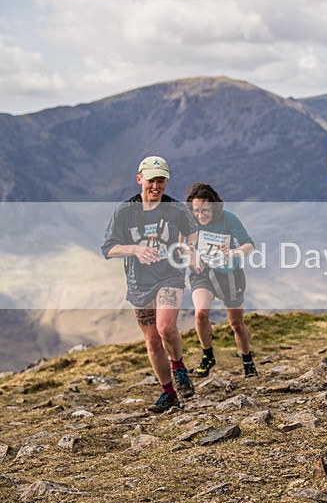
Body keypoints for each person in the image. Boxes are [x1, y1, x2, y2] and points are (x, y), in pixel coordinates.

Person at [101, 156, 198, 413]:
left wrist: (190, 249)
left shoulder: (176, 209)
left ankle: (179, 368)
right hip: (139, 283)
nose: (156, 185)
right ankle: (168, 393)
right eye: (151, 180)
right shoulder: (125, 211)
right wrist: (135, 249)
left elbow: (192, 231)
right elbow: (108, 248)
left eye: (161, 180)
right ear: (139, 179)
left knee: (166, 327)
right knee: (153, 342)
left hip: (170, 275)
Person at [185, 183, 258, 378]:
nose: (200, 216)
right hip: (203, 273)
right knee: (200, 314)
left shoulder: (228, 218)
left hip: (229, 274)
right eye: (196, 211)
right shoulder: (189, 222)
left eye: (205, 211)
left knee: (236, 323)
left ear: (214, 206)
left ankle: (247, 359)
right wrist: (190, 254)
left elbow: (249, 245)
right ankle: (208, 354)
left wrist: (234, 251)